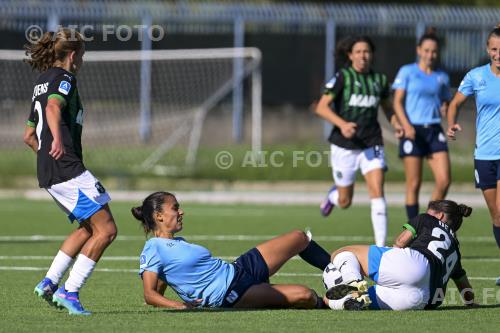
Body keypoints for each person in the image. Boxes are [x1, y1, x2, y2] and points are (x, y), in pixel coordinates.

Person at [23, 29, 118, 315]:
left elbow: (28, 135)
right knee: (107, 230)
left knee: (88, 227)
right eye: (83, 56)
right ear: (74, 55)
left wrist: (47, 154)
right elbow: (53, 108)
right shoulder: (64, 78)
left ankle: (50, 282)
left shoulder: (41, 81)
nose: (82, 61)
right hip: (67, 167)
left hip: (50, 171)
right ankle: (70, 292)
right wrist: (60, 141)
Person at [132, 191, 332, 309]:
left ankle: (341, 271)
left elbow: (162, 281)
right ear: (159, 216)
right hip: (233, 293)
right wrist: (180, 305)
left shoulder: (178, 242)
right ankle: (332, 303)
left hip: (239, 268)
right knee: (306, 295)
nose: (181, 211)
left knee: (299, 237)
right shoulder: (152, 248)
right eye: (175, 208)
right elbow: (150, 294)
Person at [314, 36, 403, 247]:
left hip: (372, 142)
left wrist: (396, 123)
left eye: (367, 51)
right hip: (345, 145)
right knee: (345, 201)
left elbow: (386, 106)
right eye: (359, 51)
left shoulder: (379, 80)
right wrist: (343, 124)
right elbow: (321, 107)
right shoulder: (343, 77)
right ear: (350, 55)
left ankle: (381, 248)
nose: (363, 55)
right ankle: (333, 196)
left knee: (377, 190)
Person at [322, 200, 475, 311]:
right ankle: (348, 301)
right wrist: (471, 304)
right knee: (331, 300)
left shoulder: (427, 219)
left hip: (413, 264)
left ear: (440, 215)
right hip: (424, 299)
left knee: (342, 252)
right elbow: (465, 287)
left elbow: (400, 242)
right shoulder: (455, 249)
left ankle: (352, 281)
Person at [447, 24, 500, 285]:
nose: (498, 54)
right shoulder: (476, 76)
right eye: (494, 49)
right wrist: (451, 123)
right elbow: (455, 103)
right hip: (485, 154)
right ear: (488, 50)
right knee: (497, 214)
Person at [392, 28, 452, 220]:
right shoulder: (407, 71)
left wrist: (445, 107)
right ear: (419, 50)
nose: (430, 55)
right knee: (414, 183)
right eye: (426, 50)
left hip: (434, 129)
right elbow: (397, 102)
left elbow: (445, 101)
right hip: (413, 129)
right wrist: (406, 125)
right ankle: (413, 227)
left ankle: (428, 221)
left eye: (433, 51)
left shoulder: (442, 76)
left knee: (444, 180)